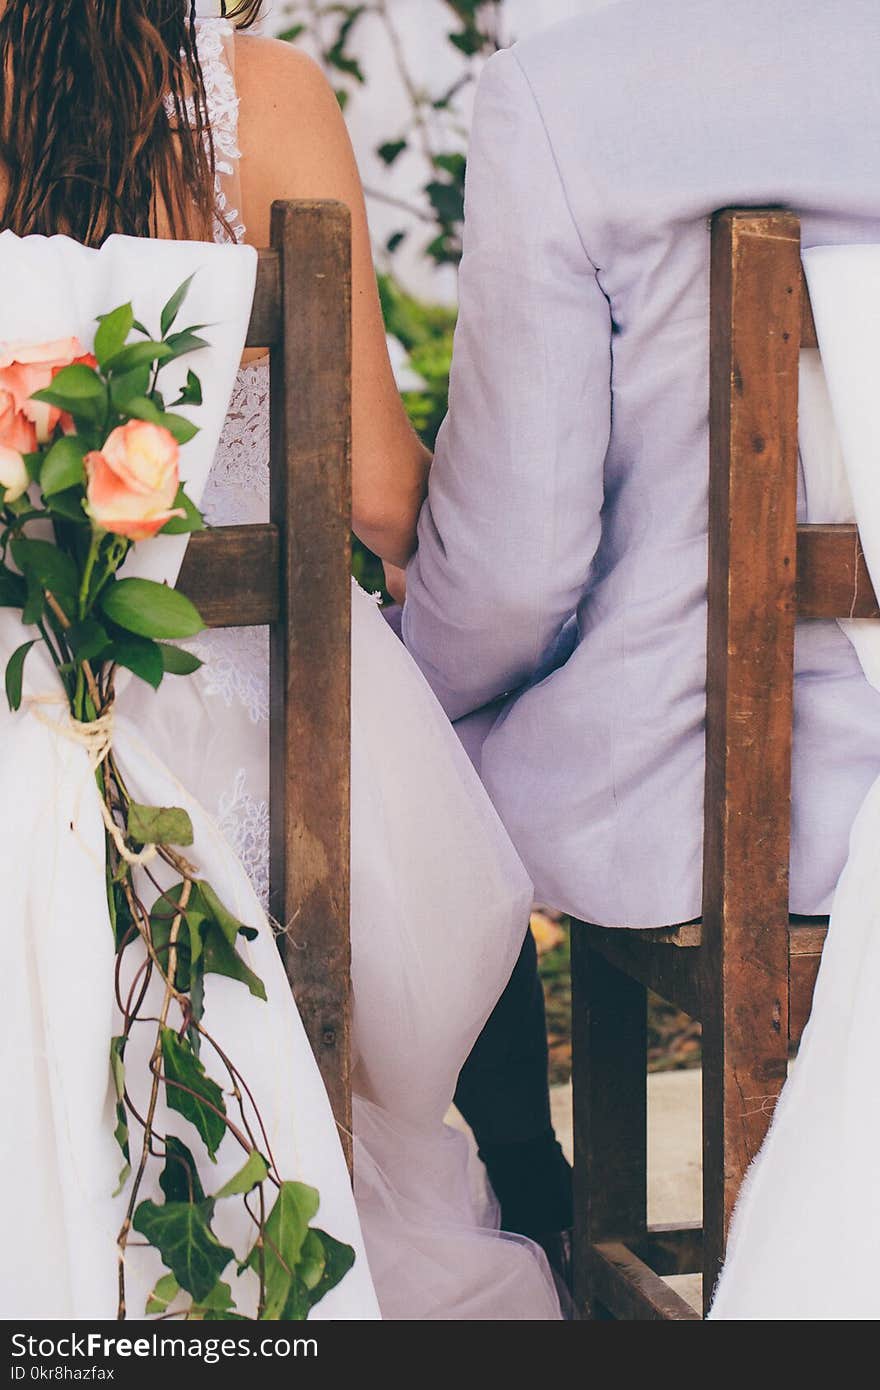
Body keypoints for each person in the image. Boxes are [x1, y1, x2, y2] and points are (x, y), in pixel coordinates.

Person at [0, 0, 561, 1320]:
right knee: (454, 824)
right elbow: (372, 488)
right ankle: (534, 1203)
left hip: (26, 731)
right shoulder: (267, 101)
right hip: (259, 749)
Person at [402, 0, 880, 1317]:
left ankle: (551, 1220)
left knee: (425, 752)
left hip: (708, 803)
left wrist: (408, 692)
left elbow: (515, 565)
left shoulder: (564, 93)